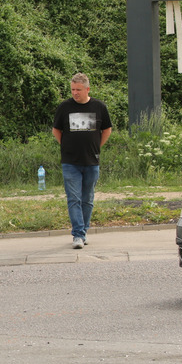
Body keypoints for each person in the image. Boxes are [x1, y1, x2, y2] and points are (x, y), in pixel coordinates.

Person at [52, 73, 112, 249]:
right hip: (70, 162)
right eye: (72, 89)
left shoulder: (99, 106)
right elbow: (56, 130)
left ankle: (84, 230)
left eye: (78, 90)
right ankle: (77, 234)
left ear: (87, 89)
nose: (75, 93)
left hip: (92, 161)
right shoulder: (64, 107)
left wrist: (96, 147)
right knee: (74, 199)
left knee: (87, 199)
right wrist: (67, 146)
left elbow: (107, 129)